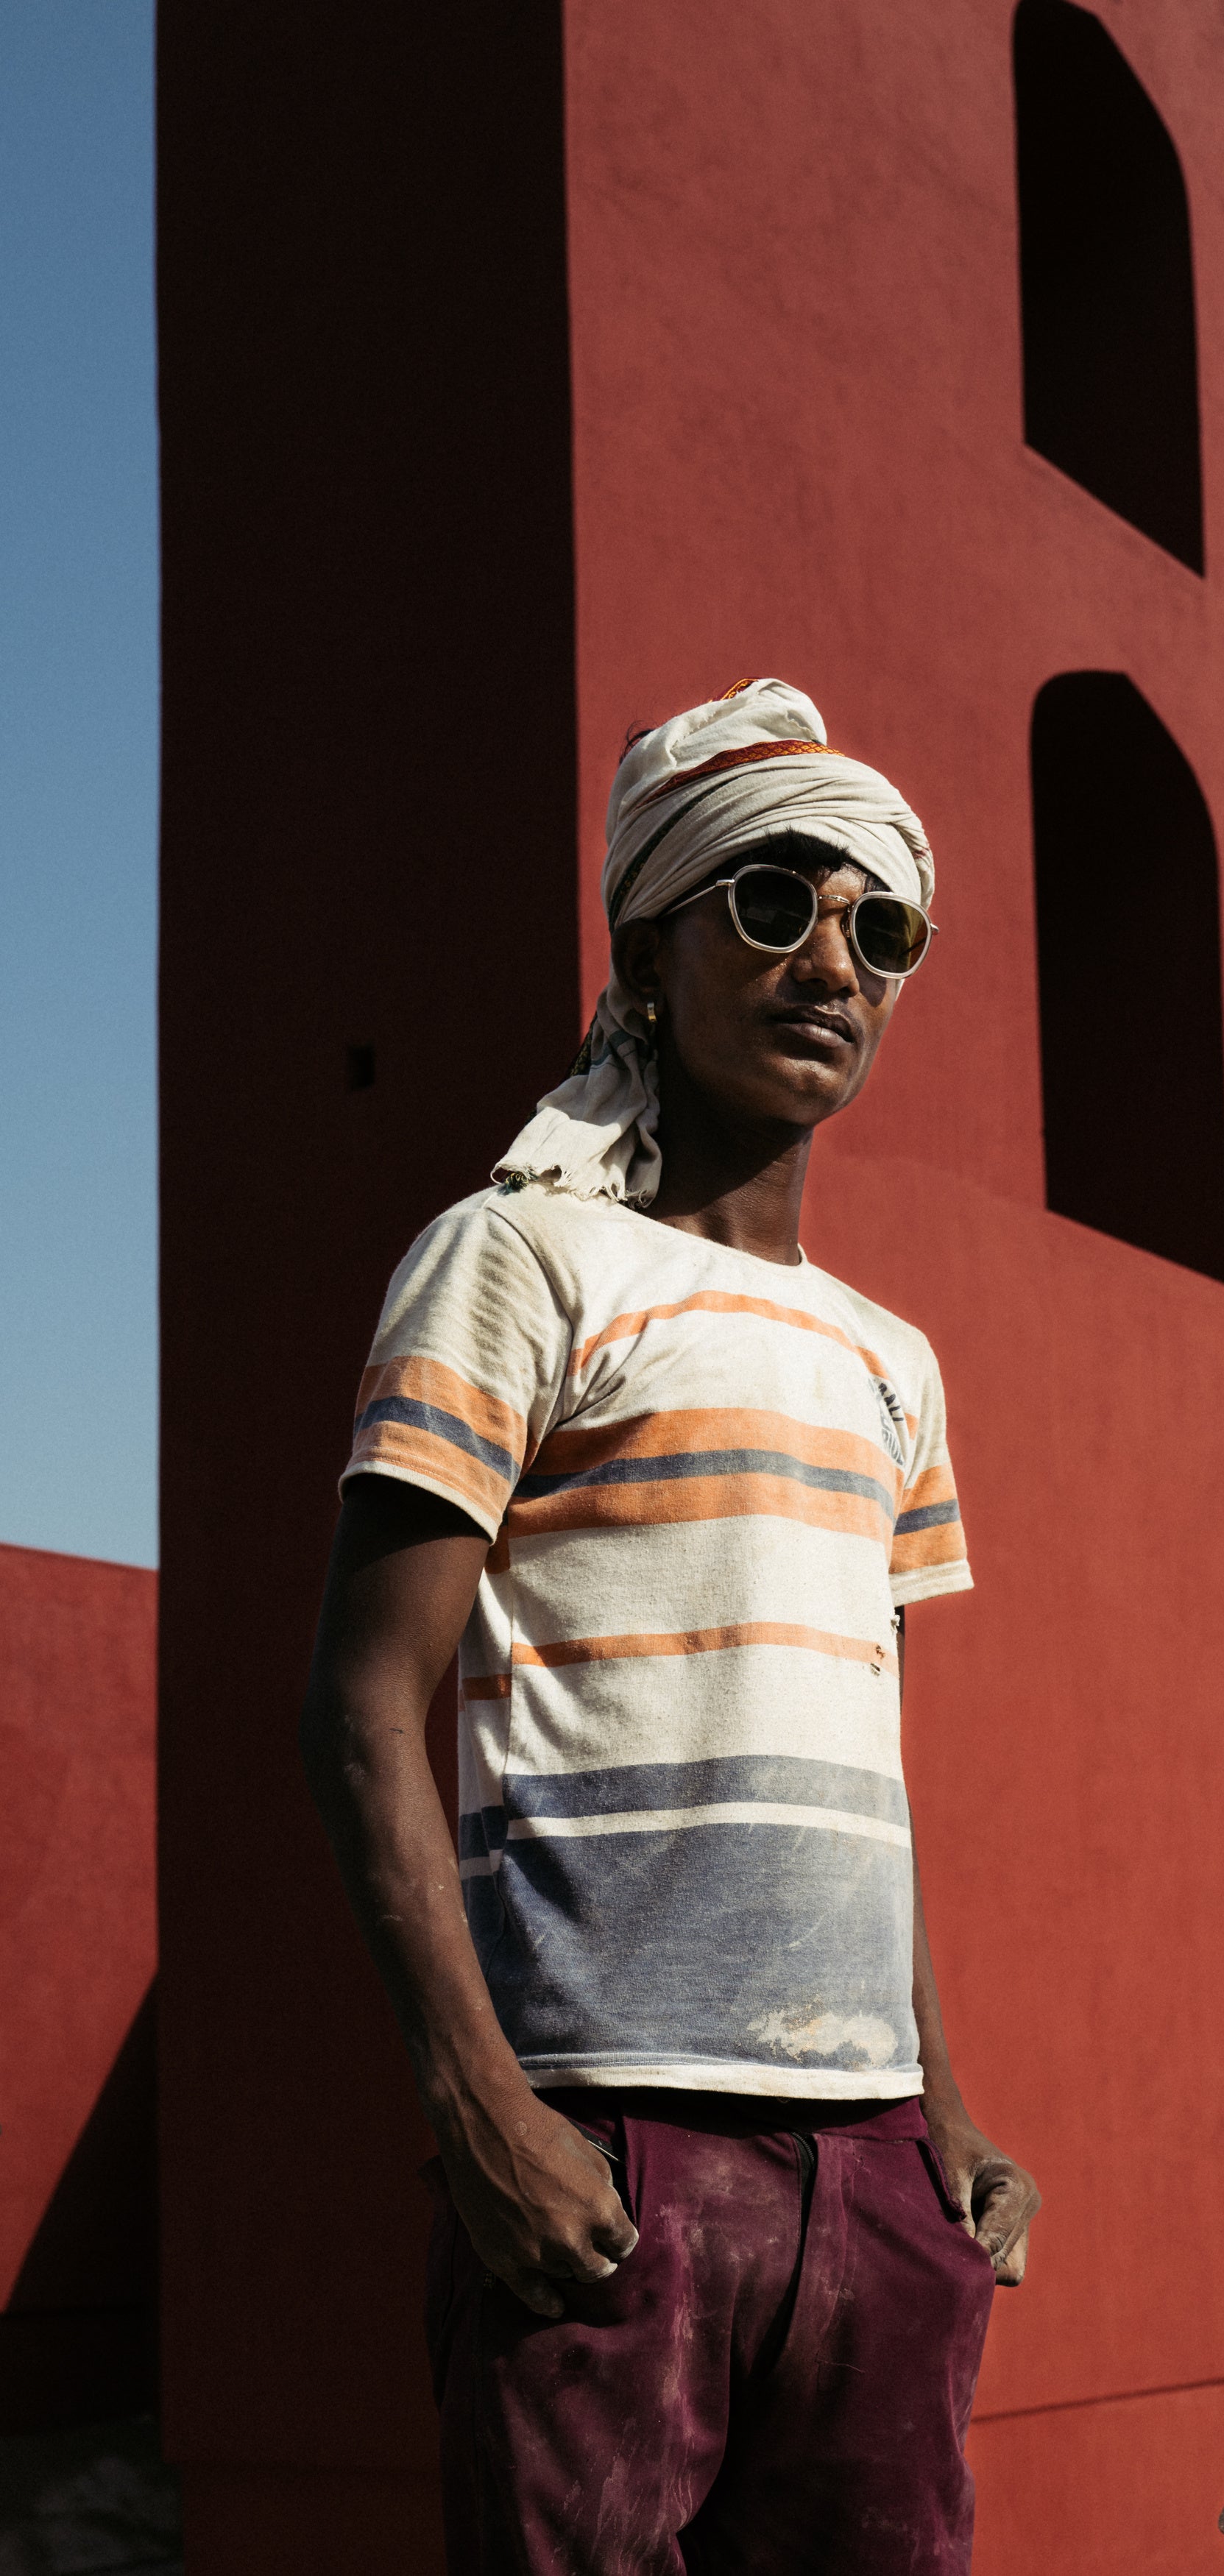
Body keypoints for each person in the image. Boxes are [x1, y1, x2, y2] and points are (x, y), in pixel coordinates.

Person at [300, 680, 1036, 2576]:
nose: (833, 961)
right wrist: (484, 2115)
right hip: (605, 2149)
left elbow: (859, 1765)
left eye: (880, 926)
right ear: (647, 945)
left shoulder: (893, 1360)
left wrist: (940, 2126)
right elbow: (364, 1699)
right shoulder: (522, 1255)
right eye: (771, 901)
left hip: (874, 2172)